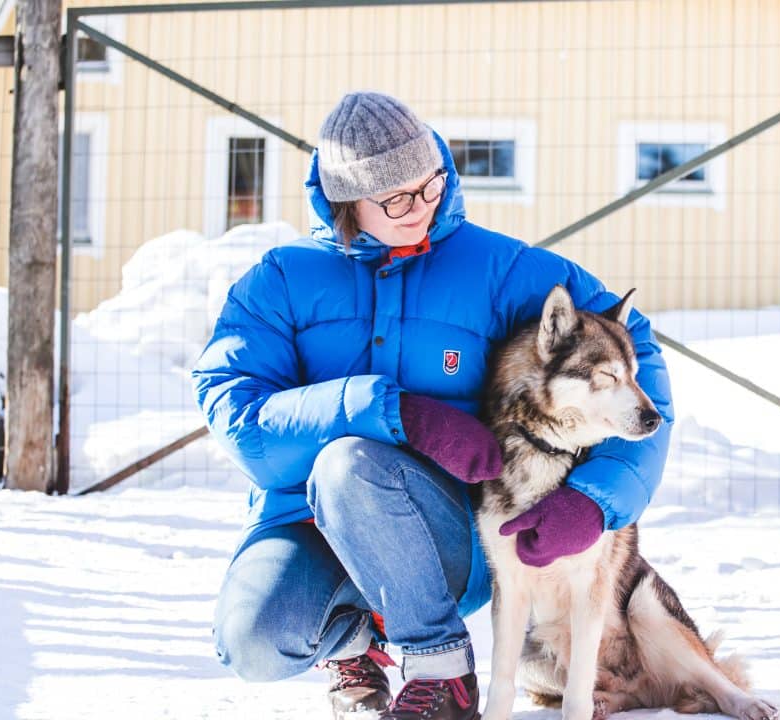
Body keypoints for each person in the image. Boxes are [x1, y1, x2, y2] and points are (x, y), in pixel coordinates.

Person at [193, 91, 673, 720]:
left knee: (350, 466)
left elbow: (630, 352)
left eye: (431, 186)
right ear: (346, 200)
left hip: (450, 529)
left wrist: (598, 499)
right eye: (395, 199)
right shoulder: (281, 279)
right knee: (251, 640)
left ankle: (439, 671)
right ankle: (354, 643)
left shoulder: (498, 268)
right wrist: (391, 411)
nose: (421, 208)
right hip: (305, 525)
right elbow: (239, 417)